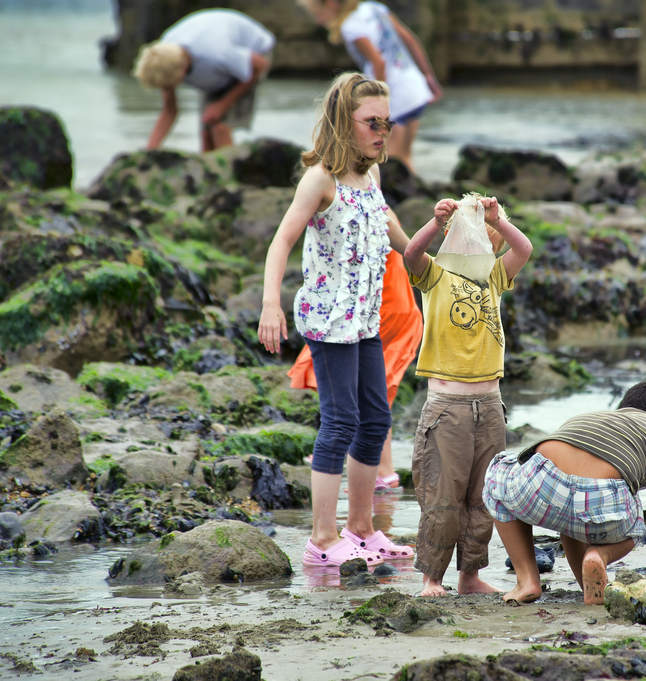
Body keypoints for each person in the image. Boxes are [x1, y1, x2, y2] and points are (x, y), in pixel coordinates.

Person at [257, 72, 413, 568]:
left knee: (376, 420)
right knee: (341, 421)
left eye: (387, 122)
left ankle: (362, 530)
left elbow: (401, 243)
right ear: (344, 121)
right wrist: (269, 304)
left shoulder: (372, 179)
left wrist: (444, 235)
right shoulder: (320, 178)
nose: (382, 130)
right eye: (372, 121)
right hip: (328, 322)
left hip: (366, 321)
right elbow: (281, 240)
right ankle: (322, 539)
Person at [404, 195, 533, 597]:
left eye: (489, 234)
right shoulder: (437, 277)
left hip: (490, 405)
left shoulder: (495, 277)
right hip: (447, 408)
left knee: (483, 498)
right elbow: (411, 253)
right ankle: (431, 578)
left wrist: (498, 218)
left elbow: (524, 249)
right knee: (443, 496)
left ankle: (469, 575)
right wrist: (435, 221)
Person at [483, 379, 646, 605]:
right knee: (636, 514)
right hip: (601, 499)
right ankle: (599, 556)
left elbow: (565, 494)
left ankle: (527, 579)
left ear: (623, 410)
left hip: (540, 484)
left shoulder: (596, 417)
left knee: (498, 475)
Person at [288, 249, 424, 490]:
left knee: (368, 391)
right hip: (383, 304)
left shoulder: (376, 214)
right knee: (376, 393)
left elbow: (409, 250)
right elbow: (411, 250)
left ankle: (355, 456)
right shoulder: (375, 215)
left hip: (382, 306)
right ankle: (382, 469)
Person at [302, 0, 442, 169]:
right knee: (403, 158)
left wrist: (379, 105)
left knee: (387, 161)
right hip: (415, 88)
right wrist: (429, 77)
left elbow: (379, 63)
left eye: (317, 13)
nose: (318, 21)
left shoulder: (350, 27)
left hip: (397, 95)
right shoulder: (374, 8)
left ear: (332, 4)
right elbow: (410, 39)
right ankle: (414, 193)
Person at [133, 9, 275, 152]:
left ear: (182, 74)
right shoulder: (164, 54)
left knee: (219, 126)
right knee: (206, 131)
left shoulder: (217, 53)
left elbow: (260, 65)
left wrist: (222, 104)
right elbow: (169, 111)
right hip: (217, 66)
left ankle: (229, 171)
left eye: (168, 86)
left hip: (253, 54)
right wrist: (149, 151)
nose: (167, 89)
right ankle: (209, 171)